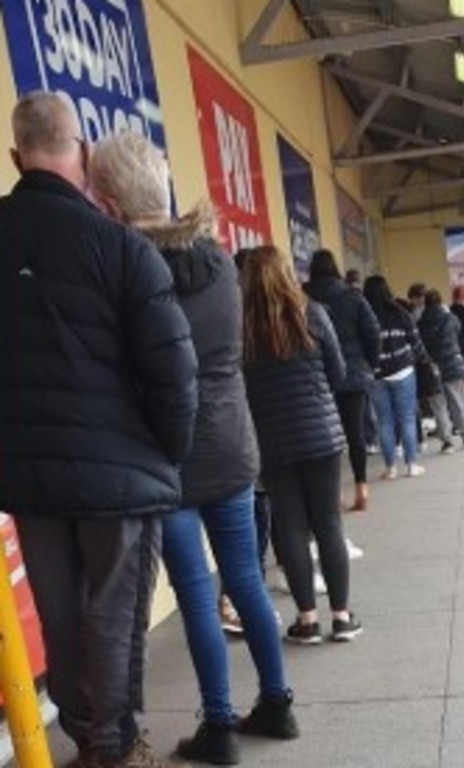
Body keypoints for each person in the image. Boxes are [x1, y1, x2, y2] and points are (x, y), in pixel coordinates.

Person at [0, 92, 199, 768]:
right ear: (82, 155)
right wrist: (166, 456)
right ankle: (114, 749)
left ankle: (90, 742)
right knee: (113, 619)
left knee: (60, 619)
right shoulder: (121, 248)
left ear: (12, 155)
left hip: (30, 476)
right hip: (120, 474)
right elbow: (175, 372)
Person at [89, 132, 297, 766]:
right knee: (246, 582)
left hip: (168, 458)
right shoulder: (219, 263)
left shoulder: (125, 272)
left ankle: (218, 728)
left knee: (195, 592)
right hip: (232, 446)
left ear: (111, 204)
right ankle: (278, 702)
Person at [240, 245, 363, 645]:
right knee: (328, 523)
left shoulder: (240, 327)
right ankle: (342, 617)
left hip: (272, 443)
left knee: (289, 529)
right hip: (321, 436)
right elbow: (339, 371)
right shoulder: (312, 313)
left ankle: (306, 619)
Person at [305, 249, 381, 512]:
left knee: (328, 438)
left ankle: (334, 494)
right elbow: (373, 334)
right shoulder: (352, 296)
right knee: (355, 433)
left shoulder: (303, 296)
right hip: (354, 374)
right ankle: (361, 487)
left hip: (318, 376)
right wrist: (368, 364)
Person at [363, 276, 426, 479]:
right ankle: (411, 465)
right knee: (407, 418)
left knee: (385, 422)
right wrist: (422, 359)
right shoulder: (399, 312)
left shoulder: (364, 315)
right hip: (403, 371)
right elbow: (415, 341)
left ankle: (390, 468)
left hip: (376, 375)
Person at [418, 289, 464, 452]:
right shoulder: (450, 318)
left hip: (433, 369)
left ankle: (447, 441)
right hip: (453, 365)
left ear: (425, 303)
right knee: (458, 402)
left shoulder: (421, 323)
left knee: (438, 406)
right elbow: (458, 330)